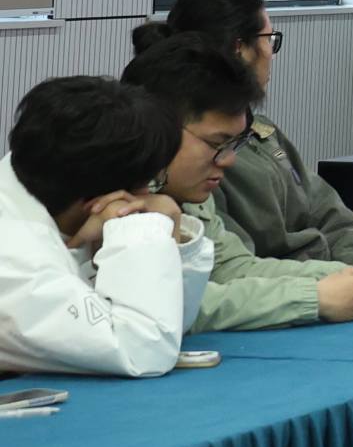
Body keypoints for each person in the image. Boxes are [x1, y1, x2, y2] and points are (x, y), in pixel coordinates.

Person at [118, 35, 353, 331]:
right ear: (159, 129)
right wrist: (314, 299)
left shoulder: (185, 189)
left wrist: (344, 275)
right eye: (217, 144)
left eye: (234, 144)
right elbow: (172, 306)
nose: (228, 161)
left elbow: (230, 268)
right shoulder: (110, 198)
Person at [132, 0, 353, 269]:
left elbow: (329, 211)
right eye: (268, 38)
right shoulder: (191, 173)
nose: (227, 157)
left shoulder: (261, 132)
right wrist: (339, 281)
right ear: (240, 48)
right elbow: (236, 274)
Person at [0, 76, 212, 378]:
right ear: (97, 199)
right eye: (149, 184)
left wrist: (170, 230)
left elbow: (173, 327)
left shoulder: (43, 184)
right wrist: (140, 229)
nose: (152, 196)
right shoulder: (13, 257)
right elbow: (144, 349)